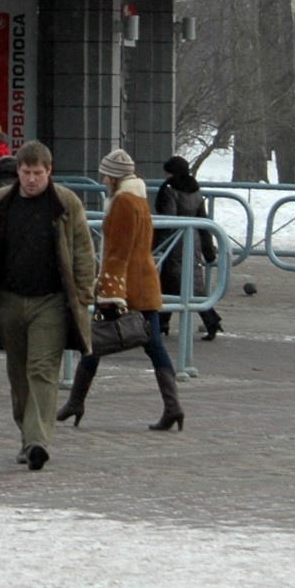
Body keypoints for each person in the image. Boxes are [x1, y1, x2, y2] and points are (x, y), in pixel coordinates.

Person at [0, 140, 96, 472]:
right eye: (26, 172)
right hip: (8, 300)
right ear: (18, 171)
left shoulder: (65, 204)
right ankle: (28, 435)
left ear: (49, 171)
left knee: (41, 370)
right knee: (18, 373)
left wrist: (83, 292)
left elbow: (83, 249)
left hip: (50, 302)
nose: (32, 179)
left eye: (38, 173)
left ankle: (39, 441)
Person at [58, 149, 186, 432]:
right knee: (149, 346)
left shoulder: (123, 203)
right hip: (143, 283)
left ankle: (76, 402)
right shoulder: (137, 198)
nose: (102, 178)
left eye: (106, 173)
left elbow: (117, 251)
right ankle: (171, 407)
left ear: (114, 177)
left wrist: (109, 292)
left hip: (128, 288)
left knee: (96, 341)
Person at [154, 156, 223, 340]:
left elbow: (168, 220)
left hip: (176, 241)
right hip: (193, 239)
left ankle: (211, 319)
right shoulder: (195, 190)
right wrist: (208, 250)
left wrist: (155, 244)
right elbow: (203, 220)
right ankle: (161, 322)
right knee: (172, 282)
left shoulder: (169, 189)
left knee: (184, 283)